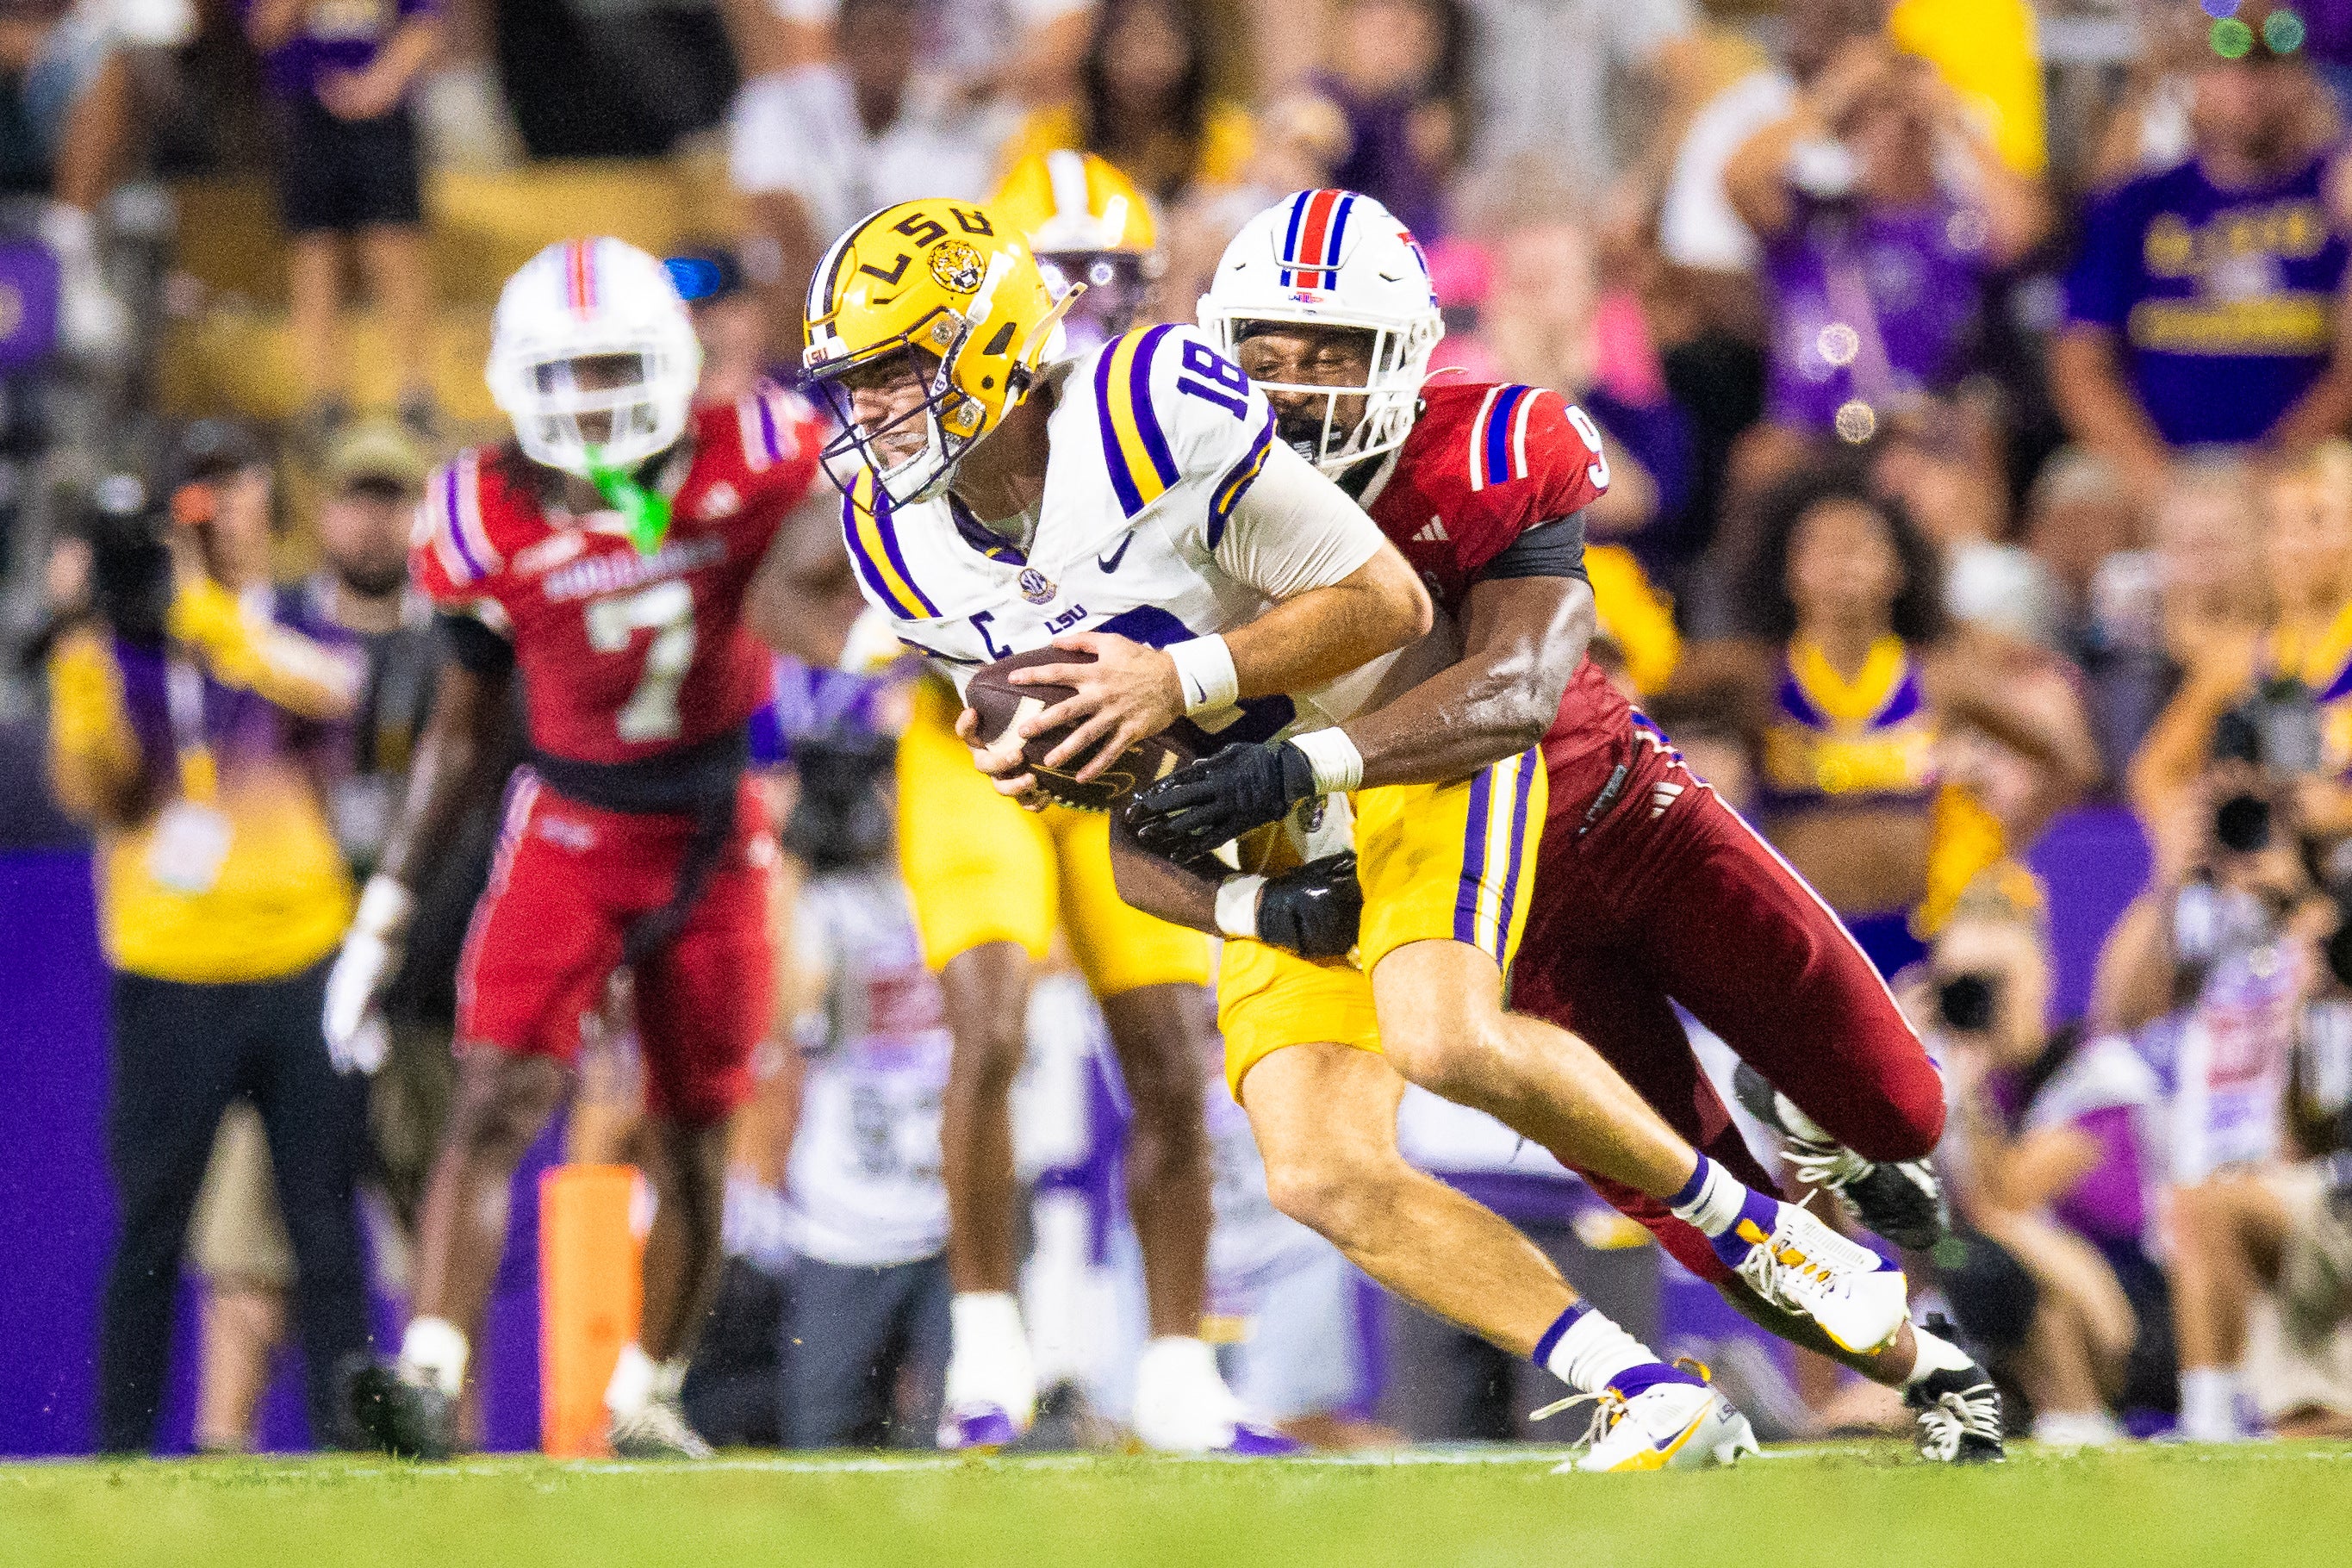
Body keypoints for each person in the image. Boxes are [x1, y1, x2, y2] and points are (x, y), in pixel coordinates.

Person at [798, 196, 1935, 1474]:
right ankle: (1636, 1388)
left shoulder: (1148, 400)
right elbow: (1119, 798)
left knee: (1440, 1033)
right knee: (1316, 1169)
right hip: (1262, 811)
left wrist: (1178, 687)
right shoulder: (894, 540)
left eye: (898, 372)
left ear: (992, 344)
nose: (872, 411)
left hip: (1399, 742)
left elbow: (1388, 602)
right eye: (858, 381)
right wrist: (1081, 773)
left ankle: (1754, 1230)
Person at [1138, 187, 2001, 1463]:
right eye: (1269, 353)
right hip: (1459, 887)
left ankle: (1801, 1115)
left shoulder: (1496, 443)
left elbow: (1516, 694)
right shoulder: (1179, 508)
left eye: (1333, 354)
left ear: (1408, 356)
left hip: (1609, 813)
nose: (1302, 387)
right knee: (1692, 1202)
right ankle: (1925, 1369)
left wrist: (1295, 766)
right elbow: (1133, 819)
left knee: (1900, 1118)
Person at [323, 237, 827, 1459]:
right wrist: (386, 913)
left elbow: (845, 570)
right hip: (572, 826)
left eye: (615, 369)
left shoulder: (756, 455)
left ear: (670, 364)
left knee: (696, 1134)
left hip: (712, 826)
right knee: (493, 1090)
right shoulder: (480, 510)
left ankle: (650, 1391)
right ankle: (432, 1375)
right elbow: (460, 730)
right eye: (567, 374)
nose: (593, 403)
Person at [786, 165, 1249, 1453]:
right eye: (1069, 272)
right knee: (985, 1024)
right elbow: (799, 586)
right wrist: (899, 649)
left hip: (1132, 750)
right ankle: (987, 1349)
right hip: (972, 757)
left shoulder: (1155, 410)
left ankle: (1175, 1372)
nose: (1092, 300)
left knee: (1164, 1053)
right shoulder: (914, 450)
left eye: (1114, 275)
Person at [46, 425, 374, 1454]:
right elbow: (92, 792)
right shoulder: (114, 643)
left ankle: (351, 1439)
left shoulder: (291, 621)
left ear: (265, 500)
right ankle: (121, 1452)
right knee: (150, 1224)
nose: (216, 511)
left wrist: (206, 618)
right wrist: (89, 657)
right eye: (196, 492)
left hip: (300, 951)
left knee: (326, 1223)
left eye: (233, 489)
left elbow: (340, 693)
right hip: (168, 963)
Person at [1708, 470, 2101, 981]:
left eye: (1859, 547)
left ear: (1899, 569)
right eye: (1821, 549)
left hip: (1919, 946)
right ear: (1787, 572)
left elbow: (2073, 762)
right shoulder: (1753, 679)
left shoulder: (1939, 676)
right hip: (1799, 945)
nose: (1842, 562)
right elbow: (1635, 693)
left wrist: (1999, 845)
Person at [2053, 0, 2352, 513]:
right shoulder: (2136, 202)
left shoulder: (2336, 195)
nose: (2250, 84)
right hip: (2151, 466)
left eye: (2274, 62)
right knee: (2075, 508)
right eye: (2227, 61)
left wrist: (2269, 475)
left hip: (2302, 462)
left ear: (2305, 80)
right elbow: (2079, 363)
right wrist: (2158, 485)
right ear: (2191, 82)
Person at [1929, 866, 2170, 1447]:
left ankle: (2078, 1414)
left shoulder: (2102, 1076)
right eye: (1962, 985)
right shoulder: (1957, 1091)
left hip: (2135, 1326)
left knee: (1996, 1254)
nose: (1980, 1002)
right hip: (2005, 1325)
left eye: (1995, 982)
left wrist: (1964, 1093)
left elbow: (2003, 1199)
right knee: (1957, 1261)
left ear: (2040, 976)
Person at [775, 723, 956, 1448]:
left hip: (953, 1210)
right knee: (821, 1437)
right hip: (844, 1214)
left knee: (959, 1439)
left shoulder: (965, 887)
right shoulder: (829, 906)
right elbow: (793, 1010)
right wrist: (792, 860)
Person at [729, 0, 1016, 345]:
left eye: (892, 38)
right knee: (762, 276)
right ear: (840, 42)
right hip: (800, 304)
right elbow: (783, 230)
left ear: (914, 43)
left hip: (901, 311)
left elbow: (944, 245)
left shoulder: (955, 123)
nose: (880, 54)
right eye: (868, 38)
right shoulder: (778, 104)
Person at [243, 0, 445, 444]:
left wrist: (381, 83)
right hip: (303, 109)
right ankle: (324, 396)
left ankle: (415, 393)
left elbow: (424, 21)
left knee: (394, 246)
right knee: (315, 251)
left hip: (385, 110)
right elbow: (263, 27)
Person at [994, 0, 1252, 204]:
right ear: (1099, 52)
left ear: (1190, 53)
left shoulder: (1226, 137)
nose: (1146, 61)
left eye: (1161, 43)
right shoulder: (1049, 136)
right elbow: (1009, 213)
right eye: (1129, 43)